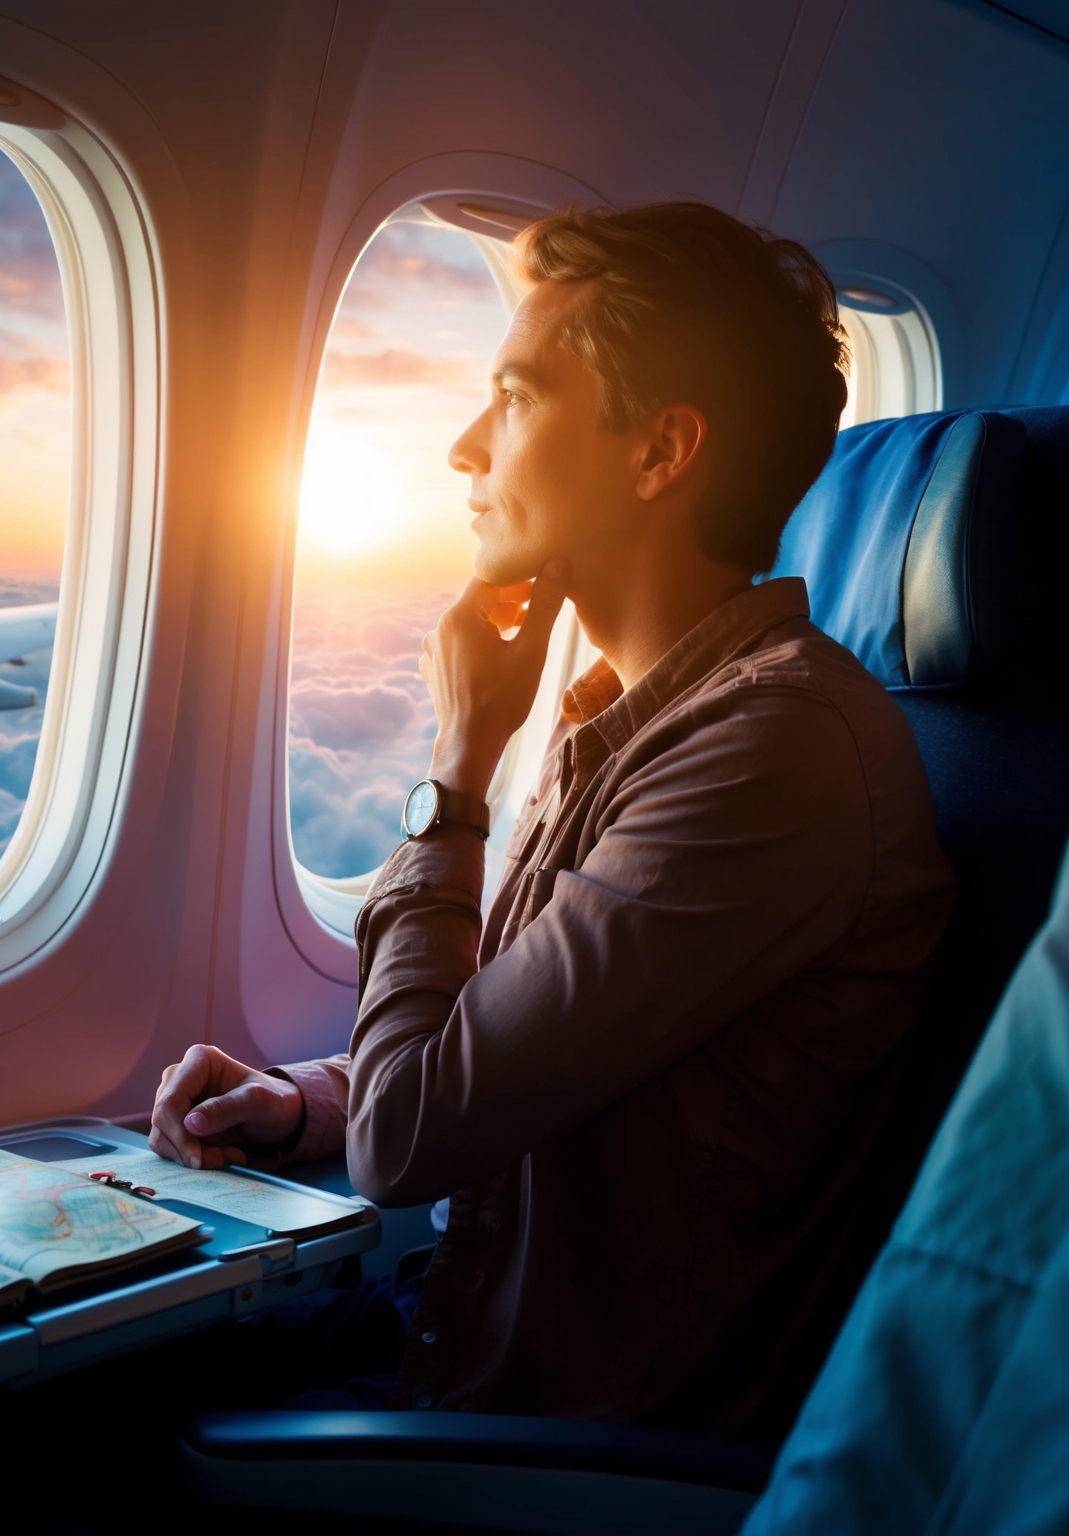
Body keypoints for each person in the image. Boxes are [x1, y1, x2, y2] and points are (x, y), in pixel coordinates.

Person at [150, 203, 956, 1437]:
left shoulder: (771, 757)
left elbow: (412, 1144)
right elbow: (510, 1048)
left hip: (545, 1428)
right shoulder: (629, 715)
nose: (467, 449)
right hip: (450, 1321)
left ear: (660, 452)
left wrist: (459, 771)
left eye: (518, 397)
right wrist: (303, 1101)